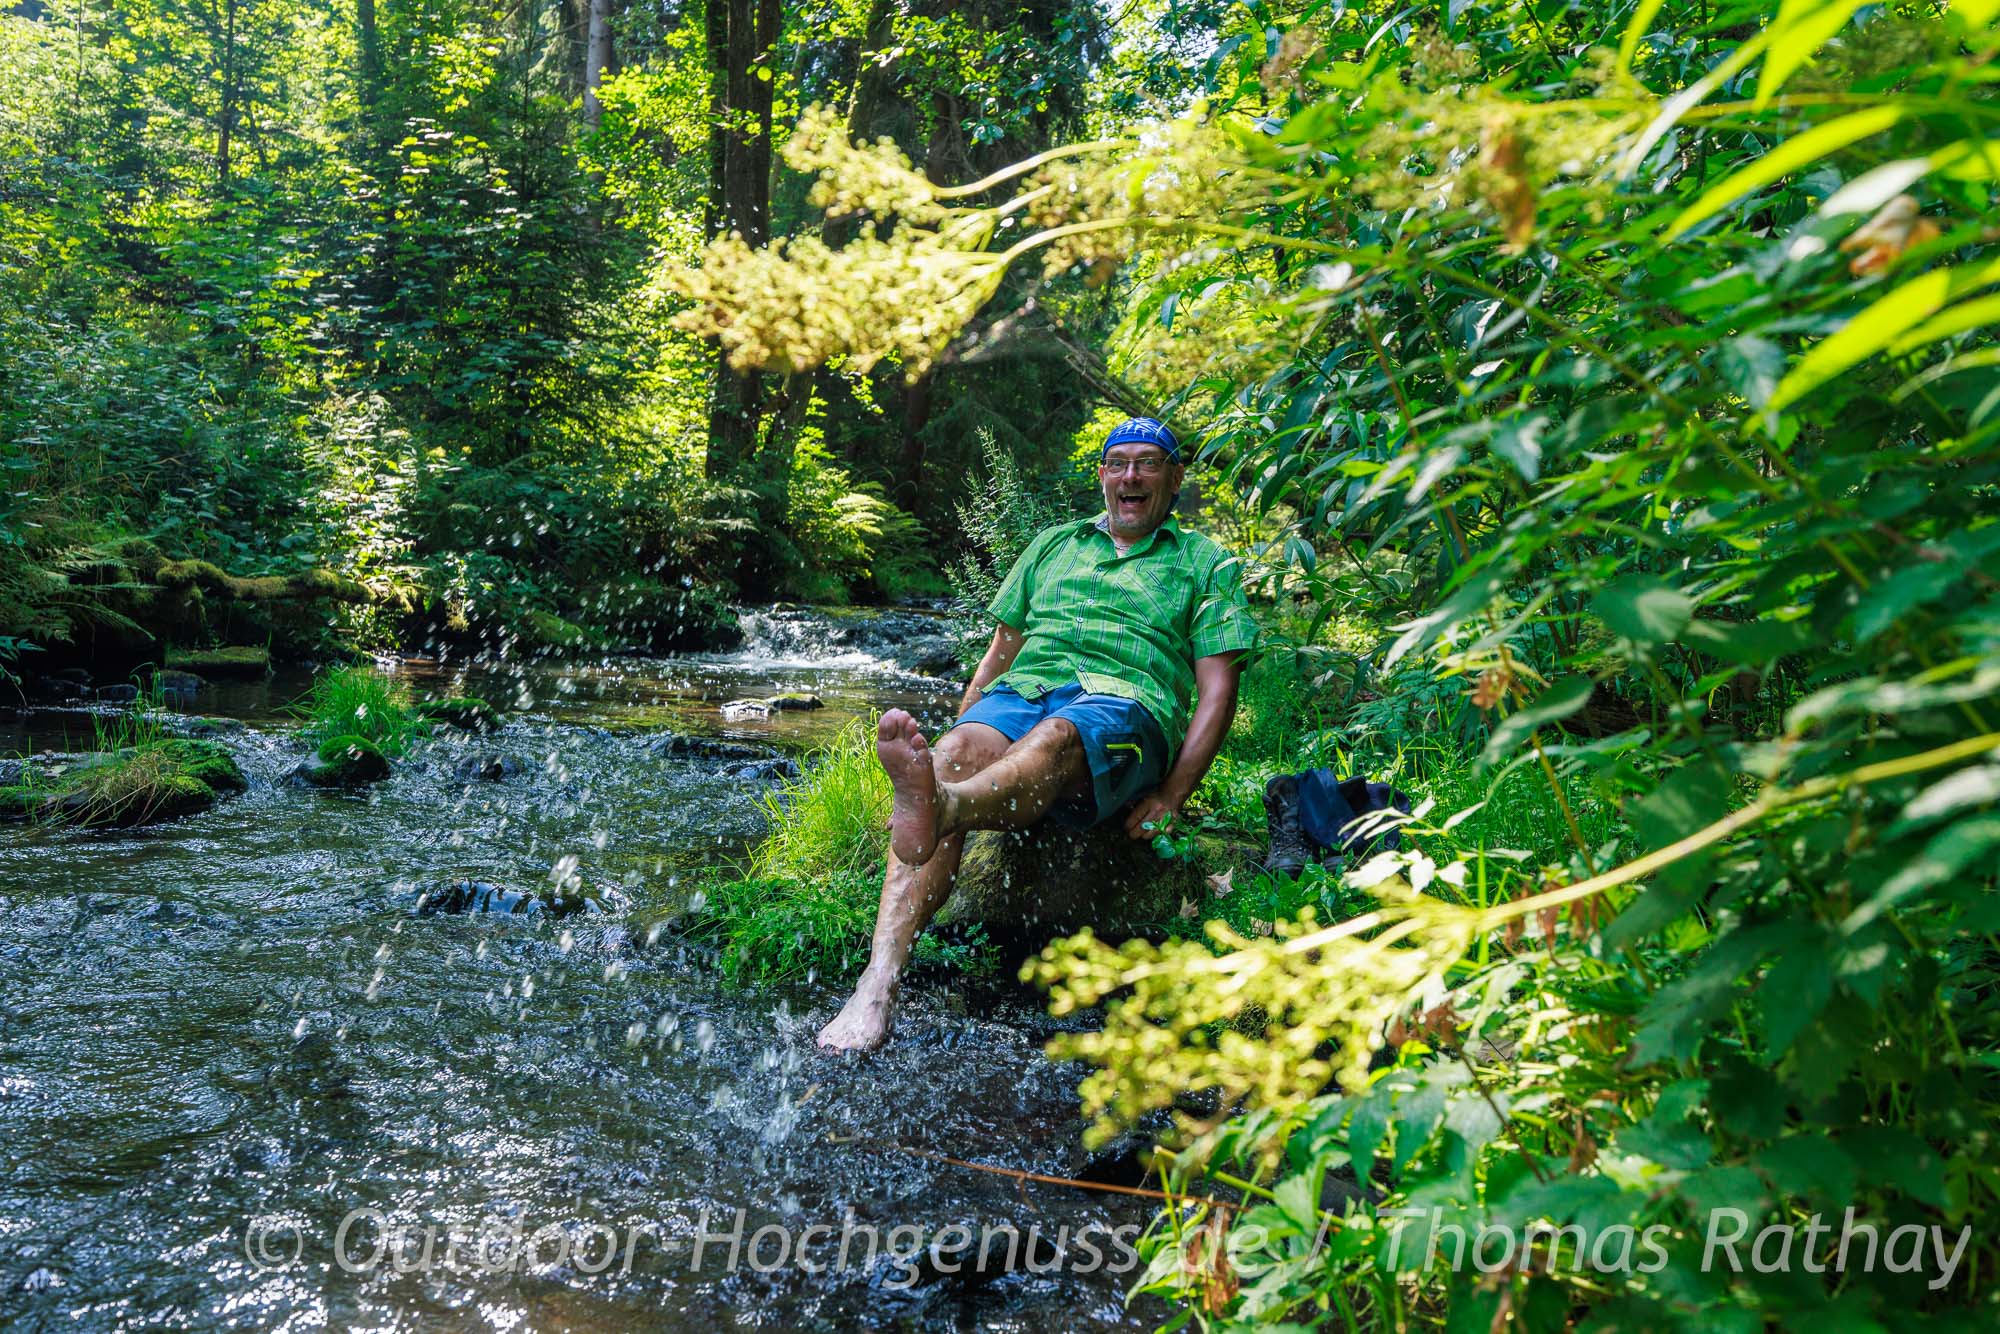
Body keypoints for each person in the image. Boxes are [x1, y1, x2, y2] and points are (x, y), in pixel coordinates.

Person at [817, 416, 1258, 1052]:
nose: (1131, 475)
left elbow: (1219, 692)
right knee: (952, 756)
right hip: (1024, 692)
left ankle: (942, 807)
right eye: (1119, 463)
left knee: (1055, 735)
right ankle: (876, 987)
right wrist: (963, 728)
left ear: (1174, 477)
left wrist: (1173, 797)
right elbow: (1002, 650)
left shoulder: (1205, 562)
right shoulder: (1054, 544)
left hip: (1123, 707)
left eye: (1148, 463)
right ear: (1103, 475)